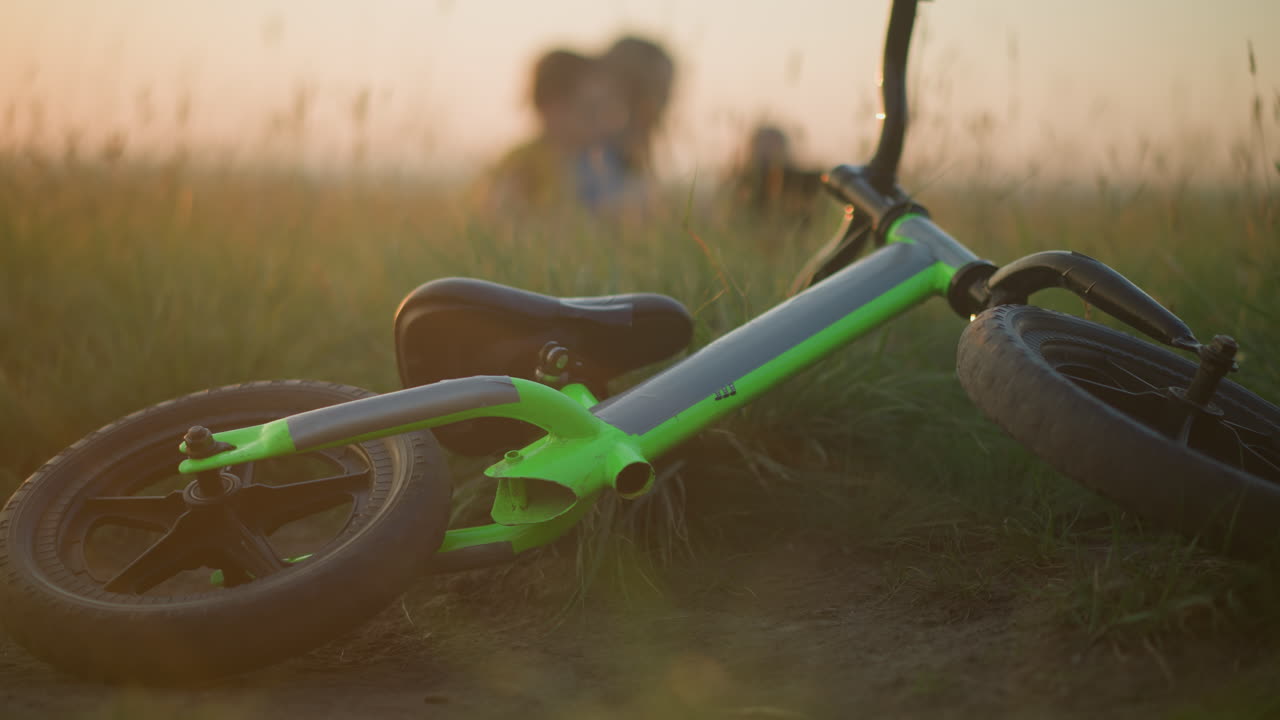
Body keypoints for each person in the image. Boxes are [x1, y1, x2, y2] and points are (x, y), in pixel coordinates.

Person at [478, 49, 629, 213]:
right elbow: (500, 217)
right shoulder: (523, 165)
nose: (603, 121)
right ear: (551, 108)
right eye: (589, 110)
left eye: (604, 109)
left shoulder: (607, 161)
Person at [728, 124, 823, 217]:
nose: (771, 154)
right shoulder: (741, 187)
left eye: (774, 145)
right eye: (767, 146)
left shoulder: (800, 183)